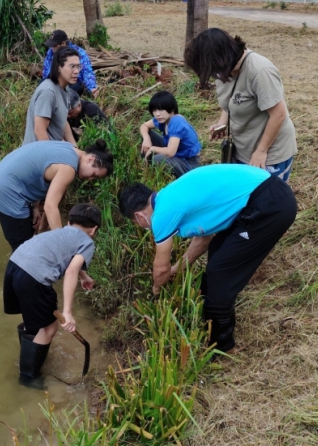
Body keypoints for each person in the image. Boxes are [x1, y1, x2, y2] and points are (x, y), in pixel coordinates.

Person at [117, 164, 297, 353]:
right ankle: (208, 312)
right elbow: (203, 240)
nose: (140, 226)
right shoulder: (169, 196)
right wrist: (178, 268)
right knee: (218, 250)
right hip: (265, 196)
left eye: (135, 223)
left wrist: (155, 290)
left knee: (220, 272)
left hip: (269, 205)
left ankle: (222, 345)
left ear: (138, 216)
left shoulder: (162, 214)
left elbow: (160, 268)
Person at [3, 203, 101, 387]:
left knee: (34, 318)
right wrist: (68, 312)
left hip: (15, 265)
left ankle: (29, 355)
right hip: (34, 277)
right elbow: (71, 270)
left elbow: (68, 258)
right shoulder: (87, 242)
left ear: (70, 221)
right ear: (94, 229)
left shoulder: (60, 232)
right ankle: (28, 377)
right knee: (50, 327)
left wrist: (84, 277)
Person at [184, 28, 297, 182]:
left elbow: (279, 114)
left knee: (265, 202)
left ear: (220, 58)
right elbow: (230, 101)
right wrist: (222, 123)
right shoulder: (224, 70)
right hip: (241, 149)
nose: (212, 75)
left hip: (269, 154)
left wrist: (261, 152)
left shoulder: (260, 71)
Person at [0, 140, 113, 252]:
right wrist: (63, 244)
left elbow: (35, 172)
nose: (90, 179)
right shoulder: (68, 168)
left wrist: (35, 208)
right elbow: (50, 206)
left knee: (30, 237)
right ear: (90, 159)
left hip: (2, 179)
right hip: (6, 190)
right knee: (23, 250)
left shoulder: (68, 149)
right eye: (94, 175)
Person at [138, 91, 201, 178]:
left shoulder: (177, 121)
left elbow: (171, 152)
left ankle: (155, 172)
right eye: (154, 110)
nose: (157, 114)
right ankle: (146, 166)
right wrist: (146, 138)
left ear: (171, 109)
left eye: (161, 109)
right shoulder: (162, 118)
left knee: (158, 159)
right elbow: (144, 126)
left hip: (188, 163)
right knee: (148, 134)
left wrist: (152, 148)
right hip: (175, 153)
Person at [24, 47, 79, 145]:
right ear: (58, 67)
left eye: (78, 66)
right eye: (72, 66)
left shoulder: (64, 88)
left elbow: (62, 120)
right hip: (38, 154)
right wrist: (53, 157)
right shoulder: (48, 91)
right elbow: (39, 131)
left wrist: (74, 148)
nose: (76, 71)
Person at [42, 29, 99, 97]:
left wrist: (92, 87)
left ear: (63, 44)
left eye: (54, 45)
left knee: (74, 88)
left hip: (72, 82)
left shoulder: (79, 53)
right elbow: (46, 71)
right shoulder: (51, 52)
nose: (52, 48)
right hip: (55, 81)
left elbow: (87, 72)